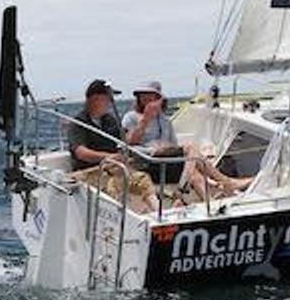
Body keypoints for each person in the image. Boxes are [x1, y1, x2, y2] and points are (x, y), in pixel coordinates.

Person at [121, 79, 251, 202]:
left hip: (167, 162)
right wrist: (146, 119)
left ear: (159, 99)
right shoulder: (131, 117)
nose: (147, 99)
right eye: (143, 95)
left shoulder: (165, 121)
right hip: (148, 162)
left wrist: (167, 147)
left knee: (194, 173)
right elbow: (129, 142)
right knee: (191, 148)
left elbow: (174, 146)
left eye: (151, 96)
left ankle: (210, 204)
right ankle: (227, 182)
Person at [67, 79, 158, 214]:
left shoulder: (109, 120)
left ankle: (159, 213)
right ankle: (118, 224)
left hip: (113, 168)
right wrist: (110, 157)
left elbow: (127, 140)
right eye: (108, 99)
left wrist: (145, 121)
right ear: (96, 99)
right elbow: (81, 152)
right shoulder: (78, 123)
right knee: (111, 186)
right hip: (90, 171)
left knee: (142, 179)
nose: (111, 103)